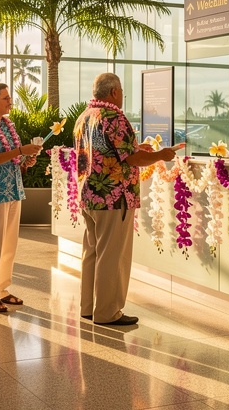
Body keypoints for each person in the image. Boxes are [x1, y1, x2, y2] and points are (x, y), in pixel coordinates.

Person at [74, 73, 183, 326]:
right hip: (114, 197)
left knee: (92, 253)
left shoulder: (85, 117)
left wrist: (138, 149)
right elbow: (130, 160)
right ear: (113, 92)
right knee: (112, 256)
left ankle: (89, 308)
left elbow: (108, 151)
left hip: (89, 195)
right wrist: (160, 154)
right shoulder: (114, 117)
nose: (122, 95)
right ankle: (108, 312)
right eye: (121, 91)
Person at [0, 82, 43, 313]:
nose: (9, 101)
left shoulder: (8, 126)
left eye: (9, 97)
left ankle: (2, 289)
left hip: (13, 190)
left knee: (9, 244)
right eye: (5, 98)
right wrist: (20, 151)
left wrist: (26, 160)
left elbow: (14, 161)